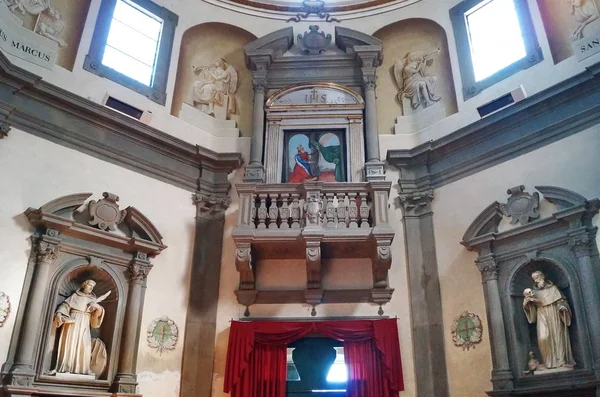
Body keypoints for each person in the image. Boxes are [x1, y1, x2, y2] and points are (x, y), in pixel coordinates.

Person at [53, 280, 110, 375]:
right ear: (84, 285)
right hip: (73, 321)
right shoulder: (75, 296)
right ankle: (67, 368)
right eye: (89, 285)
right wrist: (59, 313)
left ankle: (83, 370)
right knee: (70, 343)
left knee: (85, 345)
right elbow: (64, 306)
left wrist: (98, 308)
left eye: (93, 286)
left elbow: (96, 316)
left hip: (85, 322)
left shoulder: (93, 298)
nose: (91, 287)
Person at [523, 271, 575, 370]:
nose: (536, 280)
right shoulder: (534, 292)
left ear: (543, 276)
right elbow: (530, 311)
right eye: (534, 278)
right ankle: (548, 363)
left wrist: (562, 307)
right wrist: (527, 304)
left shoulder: (553, 289)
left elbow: (562, 301)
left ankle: (561, 361)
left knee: (557, 336)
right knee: (543, 338)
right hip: (541, 314)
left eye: (537, 277)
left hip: (553, 313)